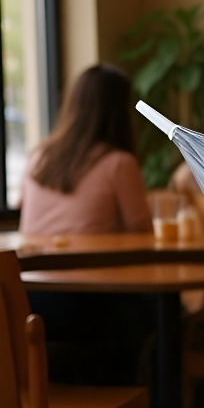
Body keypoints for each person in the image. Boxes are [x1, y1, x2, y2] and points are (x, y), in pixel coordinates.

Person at [19, 63, 153, 384]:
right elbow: (144, 235)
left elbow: (28, 224)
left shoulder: (38, 158)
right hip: (85, 304)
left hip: (29, 301)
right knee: (156, 317)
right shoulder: (118, 163)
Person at [20, 64, 151, 235]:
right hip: (88, 261)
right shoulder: (119, 163)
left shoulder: (38, 157)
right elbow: (142, 229)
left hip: (28, 261)